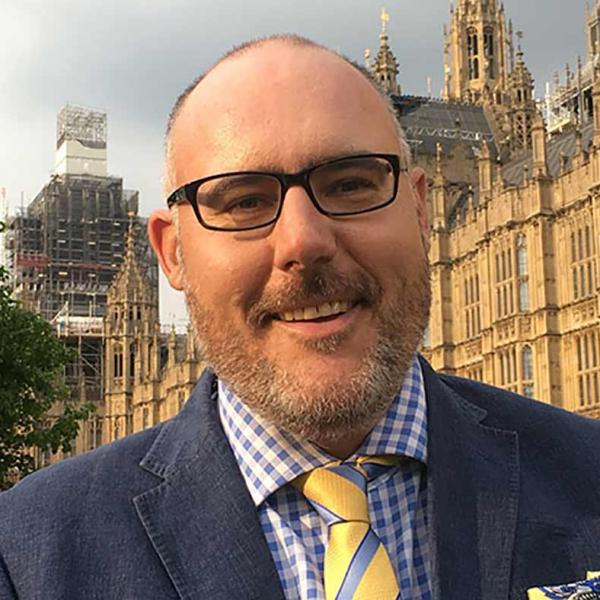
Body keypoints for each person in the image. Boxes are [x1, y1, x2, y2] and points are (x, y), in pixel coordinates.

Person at [1, 35, 600, 600]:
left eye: (351, 185)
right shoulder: (30, 557)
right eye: (244, 201)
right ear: (172, 253)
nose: (303, 240)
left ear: (423, 209)